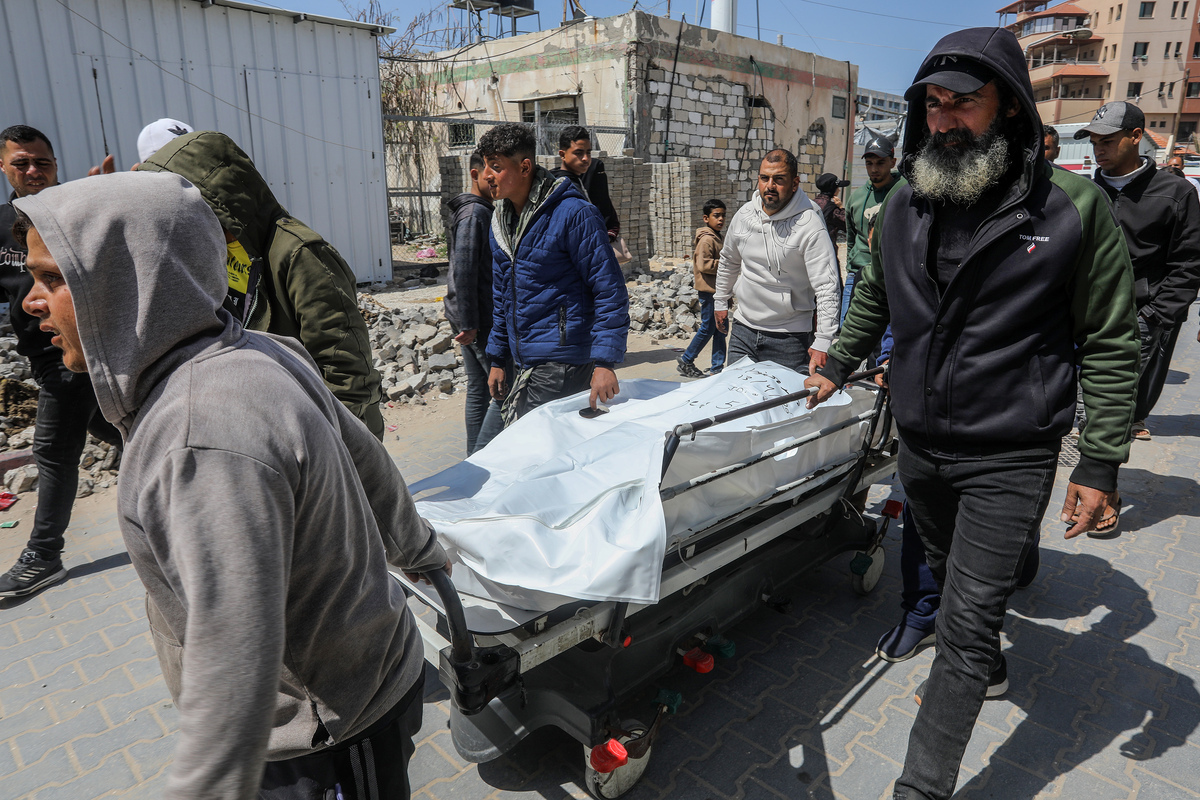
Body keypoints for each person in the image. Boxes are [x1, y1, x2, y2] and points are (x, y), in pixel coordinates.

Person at [13, 170, 449, 798]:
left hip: (324, 736)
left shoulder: (199, 437)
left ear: (128, 280)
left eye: (54, 278)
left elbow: (235, 668)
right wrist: (423, 553)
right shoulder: (258, 349)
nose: (31, 300)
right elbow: (370, 464)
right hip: (374, 678)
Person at [804, 27, 1139, 800]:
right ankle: (989, 640)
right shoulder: (901, 210)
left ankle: (920, 785)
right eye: (935, 103)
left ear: (1012, 111)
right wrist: (837, 367)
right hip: (920, 444)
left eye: (965, 103)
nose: (946, 118)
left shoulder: (1071, 211)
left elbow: (1114, 339)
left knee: (962, 623)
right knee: (956, 575)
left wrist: (1100, 462)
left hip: (1013, 451)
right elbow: (876, 304)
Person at [138, 131, 385, 439]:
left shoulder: (299, 255)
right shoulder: (218, 256)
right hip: (275, 435)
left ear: (222, 202)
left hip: (328, 439)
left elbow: (347, 373)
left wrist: (341, 454)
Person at [0, 125, 122, 599]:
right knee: (111, 429)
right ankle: (187, 481)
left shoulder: (76, 210)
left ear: (55, 163)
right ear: (5, 167)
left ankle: (43, 556)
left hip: (76, 354)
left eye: (42, 162)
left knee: (53, 453)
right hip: (41, 355)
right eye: (22, 163)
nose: (33, 171)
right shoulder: (3, 223)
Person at [478, 122, 629, 422]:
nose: (486, 176)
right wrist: (497, 358)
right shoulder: (501, 222)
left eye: (495, 167)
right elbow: (502, 295)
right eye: (486, 167)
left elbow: (609, 290)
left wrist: (604, 363)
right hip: (523, 363)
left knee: (519, 459)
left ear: (524, 167)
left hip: (562, 366)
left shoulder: (573, 214)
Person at [1080, 103, 1200, 451]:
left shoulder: (1175, 193)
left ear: (1135, 137)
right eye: (1094, 141)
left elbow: (1189, 263)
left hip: (1141, 318)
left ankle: (1102, 487)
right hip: (1085, 318)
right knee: (1090, 404)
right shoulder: (1086, 192)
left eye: (1108, 140)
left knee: (1115, 410)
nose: (1099, 148)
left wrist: (1156, 317)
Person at [714, 149, 839, 375]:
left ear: (794, 183)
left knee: (786, 408)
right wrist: (721, 300)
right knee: (737, 403)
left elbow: (827, 285)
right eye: (764, 178)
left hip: (790, 339)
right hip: (743, 331)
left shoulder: (810, 224)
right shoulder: (744, 216)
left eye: (779, 179)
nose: (770, 185)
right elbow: (729, 260)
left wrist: (823, 340)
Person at [445, 152, 502, 454]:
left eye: (498, 168)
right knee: (501, 390)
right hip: (477, 320)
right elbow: (463, 272)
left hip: (473, 318)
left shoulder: (479, 211)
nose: (494, 177)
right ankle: (483, 457)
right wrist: (468, 323)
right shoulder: (475, 214)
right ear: (474, 173)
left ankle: (474, 459)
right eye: (488, 170)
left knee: (480, 389)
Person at [843, 134, 903, 324]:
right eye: (869, 163)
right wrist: (851, 268)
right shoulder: (856, 198)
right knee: (848, 328)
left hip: (890, 276)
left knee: (883, 339)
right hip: (858, 274)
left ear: (893, 162)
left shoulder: (904, 192)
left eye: (880, 162)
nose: (874, 169)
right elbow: (851, 237)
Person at [677, 199, 727, 378]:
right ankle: (687, 360)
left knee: (721, 328)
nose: (721, 219)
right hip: (709, 291)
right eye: (716, 216)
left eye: (723, 215)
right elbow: (704, 265)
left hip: (719, 291)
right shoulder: (706, 239)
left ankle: (718, 367)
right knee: (708, 327)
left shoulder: (716, 236)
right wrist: (727, 263)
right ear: (706, 218)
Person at [551, 125, 620, 243]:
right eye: (579, 153)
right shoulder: (564, 186)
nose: (585, 158)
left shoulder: (578, 180)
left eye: (588, 153)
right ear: (562, 155)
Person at [812, 172, 849, 254]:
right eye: (837, 187)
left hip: (811, 250)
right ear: (833, 189)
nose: (839, 190)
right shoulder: (832, 209)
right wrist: (840, 207)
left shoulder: (811, 203)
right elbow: (847, 224)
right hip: (826, 252)